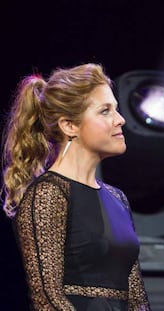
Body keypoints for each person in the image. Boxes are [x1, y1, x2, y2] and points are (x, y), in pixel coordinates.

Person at [1, 63, 151, 310]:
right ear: (69, 126)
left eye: (116, 109)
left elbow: (136, 296)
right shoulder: (49, 194)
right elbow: (47, 298)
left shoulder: (118, 198)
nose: (121, 119)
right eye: (105, 111)